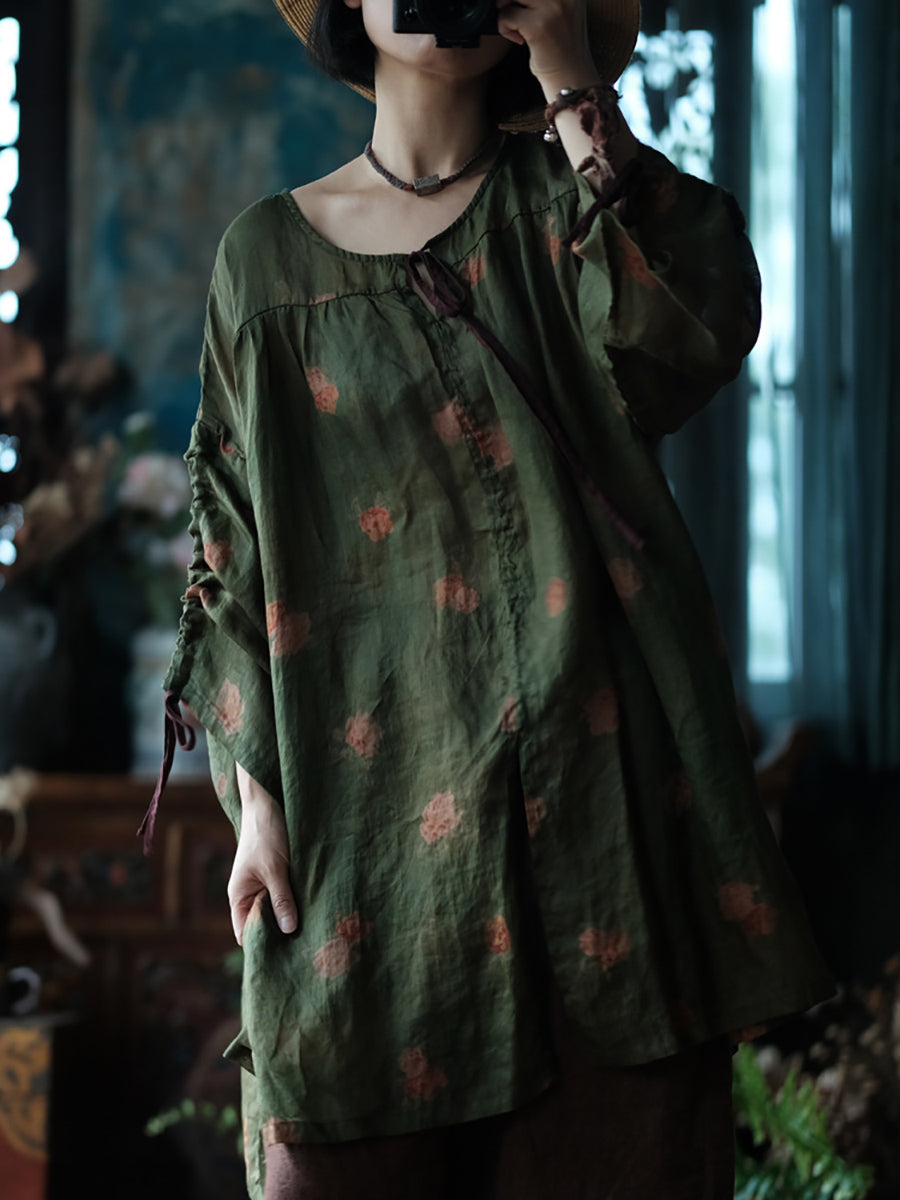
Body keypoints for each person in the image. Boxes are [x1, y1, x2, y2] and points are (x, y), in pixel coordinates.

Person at [146, 0, 835, 1195]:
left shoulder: (576, 204)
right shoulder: (264, 260)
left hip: (596, 794)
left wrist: (570, 72)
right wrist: (256, 798)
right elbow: (230, 544)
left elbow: (694, 333)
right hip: (363, 819)